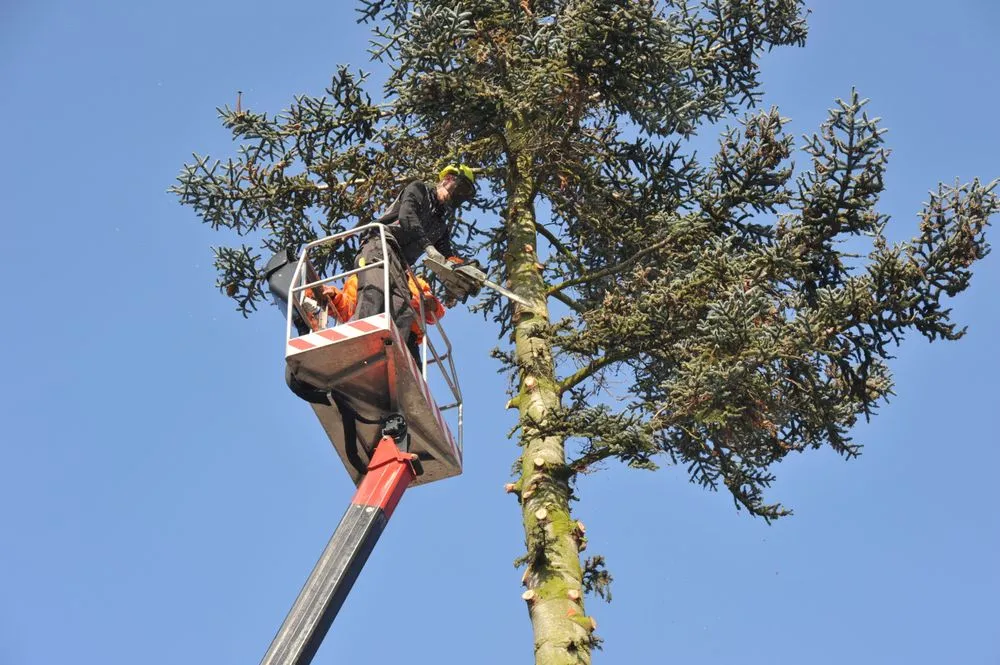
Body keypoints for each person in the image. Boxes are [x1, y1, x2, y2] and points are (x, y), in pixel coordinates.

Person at [352, 164, 476, 351]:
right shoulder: (420, 190)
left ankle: (388, 356)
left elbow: (447, 256)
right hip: (379, 245)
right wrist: (427, 246)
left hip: (400, 265)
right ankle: (357, 342)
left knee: (402, 309)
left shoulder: (440, 225)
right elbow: (407, 216)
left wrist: (464, 273)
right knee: (375, 290)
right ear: (447, 179)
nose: (458, 195)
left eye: (464, 194)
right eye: (460, 188)